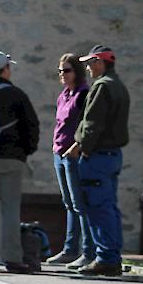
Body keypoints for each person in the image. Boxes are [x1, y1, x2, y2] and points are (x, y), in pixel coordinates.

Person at [0, 51, 40, 273]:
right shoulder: (16, 95)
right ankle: (12, 259)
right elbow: (32, 126)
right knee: (11, 210)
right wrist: (25, 152)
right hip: (12, 159)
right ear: (6, 69)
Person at [69, 45, 129, 276]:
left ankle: (105, 258)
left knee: (98, 207)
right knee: (109, 207)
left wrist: (83, 147)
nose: (87, 67)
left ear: (101, 62)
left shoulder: (102, 87)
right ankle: (111, 255)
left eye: (91, 62)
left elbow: (92, 124)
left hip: (98, 156)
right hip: (112, 155)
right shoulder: (118, 85)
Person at [46, 53, 95, 269]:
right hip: (59, 153)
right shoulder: (64, 95)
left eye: (67, 70)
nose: (63, 75)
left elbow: (85, 124)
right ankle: (69, 249)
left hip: (74, 154)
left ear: (77, 71)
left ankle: (88, 251)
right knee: (68, 203)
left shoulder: (84, 94)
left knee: (80, 203)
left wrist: (76, 147)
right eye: (60, 71)